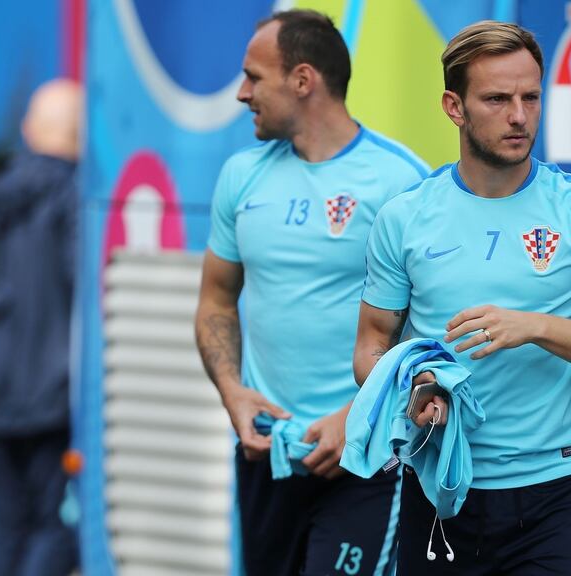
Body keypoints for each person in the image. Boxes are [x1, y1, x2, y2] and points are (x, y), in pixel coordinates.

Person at [353, 21, 571, 575]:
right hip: (440, 491)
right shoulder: (405, 217)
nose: (519, 116)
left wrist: (535, 325)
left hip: (551, 496)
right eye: (497, 99)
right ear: (454, 106)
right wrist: (413, 389)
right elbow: (373, 345)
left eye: (531, 97)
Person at [194, 10, 428, 576]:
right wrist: (233, 392)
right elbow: (216, 301)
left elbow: (437, 326)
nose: (242, 93)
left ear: (303, 80)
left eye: (254, 77)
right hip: (267, 459)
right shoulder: (240, 177)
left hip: (365, 462)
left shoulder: (402, 181)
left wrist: (361, 415)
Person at [0, 78, 82, 576]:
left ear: (27, 129)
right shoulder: (74, 201)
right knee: (53, 527)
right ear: (80, 137)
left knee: (5, 526)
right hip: (52, 399)